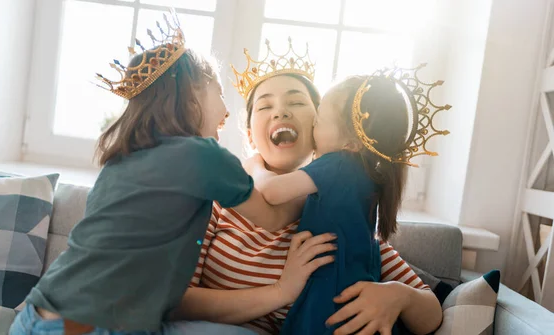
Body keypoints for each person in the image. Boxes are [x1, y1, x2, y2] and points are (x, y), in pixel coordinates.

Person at [9, 16, 296, 335]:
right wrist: (311, 176)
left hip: (33, 318)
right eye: (219, 92)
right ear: (193, 96)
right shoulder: (202, 156)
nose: (227, 110)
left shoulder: (121, 160)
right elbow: (274, 218)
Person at [175, 40, 443, 335]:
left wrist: (398, 296)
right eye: (265, 105)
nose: (281, 112)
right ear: (250, 136)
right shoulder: (216, 204)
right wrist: (280, 291)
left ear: (322, 128)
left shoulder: (342, 218)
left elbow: (431, 314)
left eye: (297, 102)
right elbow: (179, 301)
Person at [250, 69, 450, 334]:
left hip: (330, 311)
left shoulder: (338, 167)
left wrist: (253, 164)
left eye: (316, 117)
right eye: (264, 105)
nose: (281, 113)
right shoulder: (358, 182)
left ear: (352, 143)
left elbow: (270, 191)